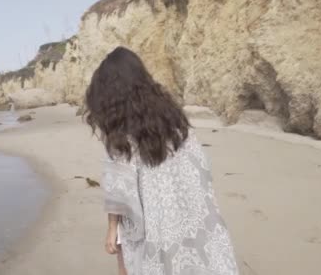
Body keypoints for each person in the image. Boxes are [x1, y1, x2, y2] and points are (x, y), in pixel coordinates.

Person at [83, 46, 238, 275]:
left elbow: (120, 193)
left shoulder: (120, 136)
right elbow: (201, 169)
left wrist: (112, 227)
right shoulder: (174, 121)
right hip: (189, 213)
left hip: (152, 224)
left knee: (130, 253)